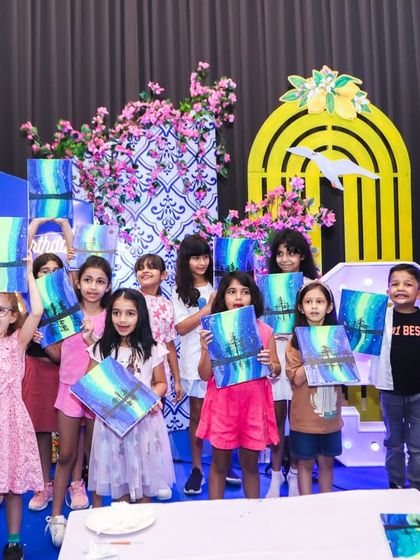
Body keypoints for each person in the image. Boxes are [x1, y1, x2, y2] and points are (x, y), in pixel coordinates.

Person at [46, 256, 112, 547]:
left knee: (95, 457)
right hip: (69, 389)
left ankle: (97, 514)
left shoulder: (111, 316)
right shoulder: (66, 313)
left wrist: (90, 339)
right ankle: (56, 517)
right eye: (88, 280)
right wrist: (45, 340)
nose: (93, 287)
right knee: (66, 455)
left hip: (97, 390)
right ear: (78, 282)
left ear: (108, 285)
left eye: (100, 281)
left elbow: (111, 357)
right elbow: (56, 352)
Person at [86, 288, 175, 503]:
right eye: (116, 313)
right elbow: (91, 385)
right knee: (120, 488)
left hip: (144, 424)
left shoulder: (152, 348)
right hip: (112, 428)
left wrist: (149, 398)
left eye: (130, 313)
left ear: (140, 315)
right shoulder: (101, 348)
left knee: (145, 487)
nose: (122, 319)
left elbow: (161, 383)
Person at [197, 271, 280, 499]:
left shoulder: (264, 331)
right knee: (219, 465)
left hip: (253, 406)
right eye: (232, 291)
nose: (238, 297)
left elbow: (277, 369)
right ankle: (215, 513)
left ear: (253, 297)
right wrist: (205, 348)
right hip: (223, 405)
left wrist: (270, 365)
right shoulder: (213, 331)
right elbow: (204, 374)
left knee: (250, 466)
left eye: (245, 292)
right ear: (223, 297)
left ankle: (252, 514)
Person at [266, 228, 319, 498]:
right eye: (280, 254)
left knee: (298, 420)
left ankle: (296, 474)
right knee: (276, 419)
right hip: (274, 352)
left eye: (291, 253)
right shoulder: (266, 285)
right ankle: (275, 476)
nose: (285, 259)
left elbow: (322, 323)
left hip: (301, 354)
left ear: (302, 256)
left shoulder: (311, 286)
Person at [0, 258, 44, 560]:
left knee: (14, 487)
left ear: (13, 316)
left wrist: (28, 273)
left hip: (10, 423)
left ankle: (14, 541)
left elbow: (37, 311)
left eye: (1, 311)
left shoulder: (16, 344)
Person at [285, 281, 343, 495]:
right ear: (301, 308)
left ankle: (327, 507)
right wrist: (314, 350)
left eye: (320, 301)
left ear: (329, 307)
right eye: (309, 302)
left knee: (327, 464)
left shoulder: (337, 338)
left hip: (330, 418)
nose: (314, 306)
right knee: (305, 464)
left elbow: (345, 372)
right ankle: (306, 507)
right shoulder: (294, 342)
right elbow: (297, 379)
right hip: (304, 420)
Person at [134, 253, 183, 500]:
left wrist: (177, 378)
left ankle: (157, 476)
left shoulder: (166, 306)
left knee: (154, 425)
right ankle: (134, 475)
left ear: (163, 275)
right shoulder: (130, 299)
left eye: (151, 268)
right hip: (133, 368)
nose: (145, 271)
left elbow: (169, 343)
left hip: (158, 372)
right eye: (140, 267)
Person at [171, 235, 216, 494]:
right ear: (185, 261)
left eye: (205, 257)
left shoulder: (219, 284)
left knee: (224, 413)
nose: (201, 262)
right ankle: (197, 469)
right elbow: (180, 327)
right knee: (197, 415)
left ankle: (223, 464)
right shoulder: (179, 292)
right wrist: (207, 309)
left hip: (223, 359)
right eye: (195, 258)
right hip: (193, 360)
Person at [370, 263, 420, 490]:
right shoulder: (380, 318)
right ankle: (396, 484)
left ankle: (416, 486)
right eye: (395, 284)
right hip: (390, 392)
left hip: (418, 393)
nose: (401, 288)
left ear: (418, 291)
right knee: (393, 442)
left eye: (408, 284)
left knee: (417, 445)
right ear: (388, 290)